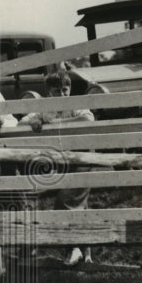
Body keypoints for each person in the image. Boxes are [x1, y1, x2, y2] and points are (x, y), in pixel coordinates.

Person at [24, 71, 96, 266]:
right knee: (79, 207)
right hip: (63, 161)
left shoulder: (75, 105)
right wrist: (34, 121)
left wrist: (58, 124)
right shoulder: (45, 108)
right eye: (57, 91)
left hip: (82, 159)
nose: (62, 95)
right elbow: (24, 120)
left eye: (65, 90)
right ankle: (85, 252)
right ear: (49, 92)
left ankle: (72, 249)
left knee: (65, 202)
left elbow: (88, 120)